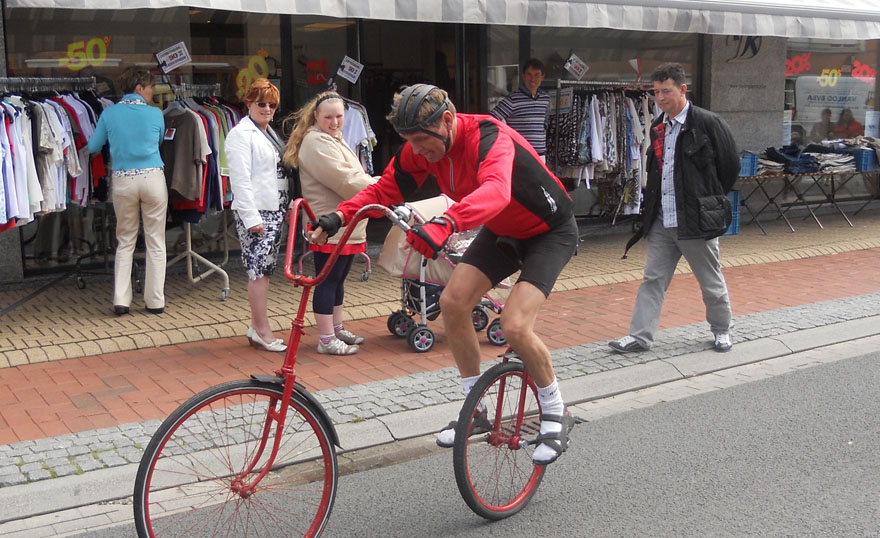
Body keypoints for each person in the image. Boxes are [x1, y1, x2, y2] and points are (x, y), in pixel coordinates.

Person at [309, 84, 578, 465]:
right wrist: (340, 215)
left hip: (549, 232)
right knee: (452, 303)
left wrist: (445, 223)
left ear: (447, 121)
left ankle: (555, 410)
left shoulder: (489, 138)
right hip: (502, 231)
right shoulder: (421, 147)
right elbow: (386, 188)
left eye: (421, 140)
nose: (417, 151)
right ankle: (476, 410)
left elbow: (497, 191)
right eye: (409, 142)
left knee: (516, 325)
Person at [607, 62, 739, 355]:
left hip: (695, 219)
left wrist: (709, 198)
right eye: (656, 92)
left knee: (710, 279)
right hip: (662, 219)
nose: (660, 98)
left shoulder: (707, 122)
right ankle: (640, 336)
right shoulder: (657, 127)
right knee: (653, 278)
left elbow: (730, 166)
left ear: (682, 89)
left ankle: (722, 331)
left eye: (666, 91)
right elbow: (657, 171)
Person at [283, 92, 377, 356]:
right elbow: (345, 181)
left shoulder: (333, 138)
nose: (335, 122)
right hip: (329, 225)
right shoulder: (316, 142)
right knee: (326, 279)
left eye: (339, 116)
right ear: (316, 116)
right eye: (329, 117)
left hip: (345, 223)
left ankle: (335, 328)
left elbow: (351, 179)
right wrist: (382, 188)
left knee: (338, 279)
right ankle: (326, 338)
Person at [87, 67, 168, 316]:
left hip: (123, 179)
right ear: (139, 87)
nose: (152, 91)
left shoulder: (109, 114)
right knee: (156, 240)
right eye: (149, 86)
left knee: (125, 240)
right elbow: (160, 140)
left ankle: (121, 300)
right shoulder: (156, 114)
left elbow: (93, 146)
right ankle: (154, 301)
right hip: (153, 177)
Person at [223, 78, 289, 353]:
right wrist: (251, 218)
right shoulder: (241, 134)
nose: (267, 108)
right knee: (258, 270)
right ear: (248, 103)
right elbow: (239, 180)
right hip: (258, 211)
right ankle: (262, 330)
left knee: (265, 269)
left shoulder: (268, 132)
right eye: (260, 103)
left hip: (274, 207)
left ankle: (257, 326)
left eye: (271, 104)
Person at [489, 58, 551, 160]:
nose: (532, 79)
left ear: (542, 77)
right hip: (520, 155)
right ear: (523, 76)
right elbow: (492, 119)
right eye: (529, 75)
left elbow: (544, 124)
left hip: (540, 156)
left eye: (537, 75)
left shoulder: (546, 99)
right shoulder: (513, 99)